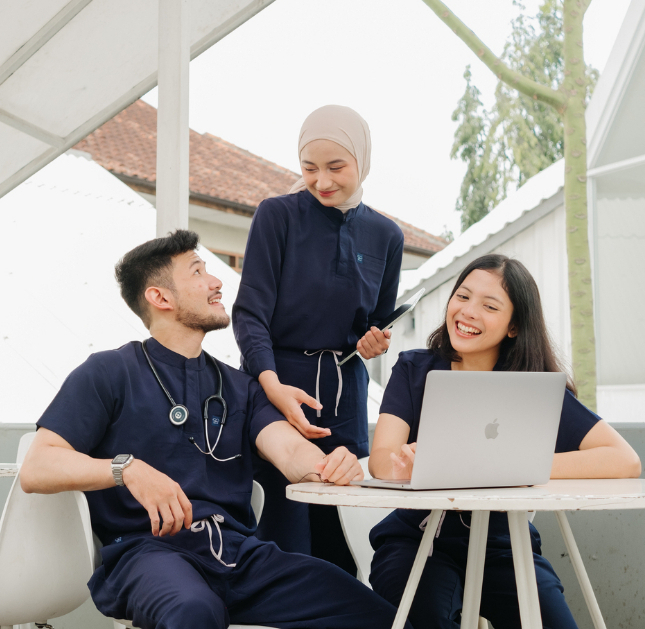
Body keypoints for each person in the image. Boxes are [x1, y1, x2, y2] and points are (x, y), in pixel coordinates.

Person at [19, 230, 411, 629]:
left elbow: (290, 452)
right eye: (198, 272)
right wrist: (127, 469)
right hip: (149, 556)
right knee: (193, 611)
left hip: (240, 555)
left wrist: (328, 466)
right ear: (161, 298)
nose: (216, 281)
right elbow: (38, 467)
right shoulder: (108, 372)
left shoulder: (240, 387)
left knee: (375, 614)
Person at [368, 254, 641, 629]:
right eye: (462, 296)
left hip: (505, 545)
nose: (467, 312)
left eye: (489, 306)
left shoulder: (534, 387)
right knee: (425, 618)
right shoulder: (414, 368)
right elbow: (381, 460)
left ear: (514, 326)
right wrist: (404, 464)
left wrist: (516, 465)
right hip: (417, 540)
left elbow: (625, 460)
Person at [232, 105, 404, 571]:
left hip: (345, 395)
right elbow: (249, 314)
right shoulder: (277, 216)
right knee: (285, 529)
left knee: (342, 529)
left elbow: (378, 323)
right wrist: (270, 386)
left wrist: (373, 343)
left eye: (336, 167)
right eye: (310, 168)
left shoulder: (386, 234)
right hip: (278, 386)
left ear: (362, 163)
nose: (322, 181)